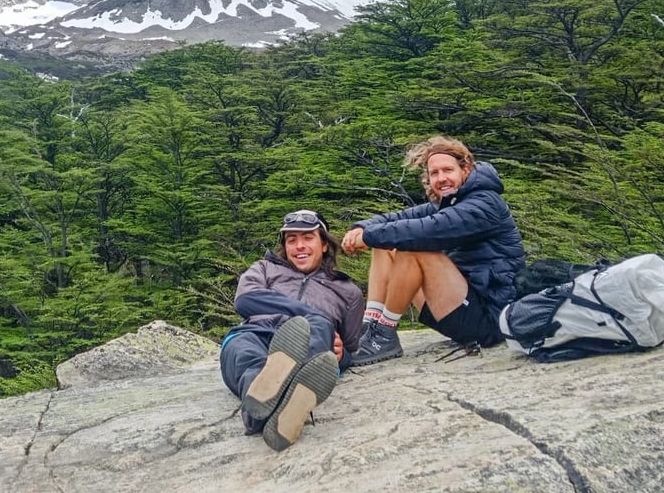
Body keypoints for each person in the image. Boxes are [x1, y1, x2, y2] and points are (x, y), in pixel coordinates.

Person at [341, 136, 524, 364]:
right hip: (458, 306)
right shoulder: (447, 203)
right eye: (434, 173)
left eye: (448, 170)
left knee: (412, 247)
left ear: (465, 169)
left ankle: (385, 333)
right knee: (386, 241)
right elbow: (396, 219)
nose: (441, 178)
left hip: (489, 319)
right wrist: (361, 228)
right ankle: (371, 328)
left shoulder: (485, 203)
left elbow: (428, 230)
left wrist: (367, 237)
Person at [220, 209, 364, 451]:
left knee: (318, 326)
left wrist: (342, 356)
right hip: (256, 332)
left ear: (324, 244)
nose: (299, 246)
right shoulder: (265, 268)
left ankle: (269, 408)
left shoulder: (348, 292)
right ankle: (270, 406)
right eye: (292, 240)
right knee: (245, 353)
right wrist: (306, 311)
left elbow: (352, 348)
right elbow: (244, 300)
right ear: (285, 246)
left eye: (307, 238)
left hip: (311, 342)